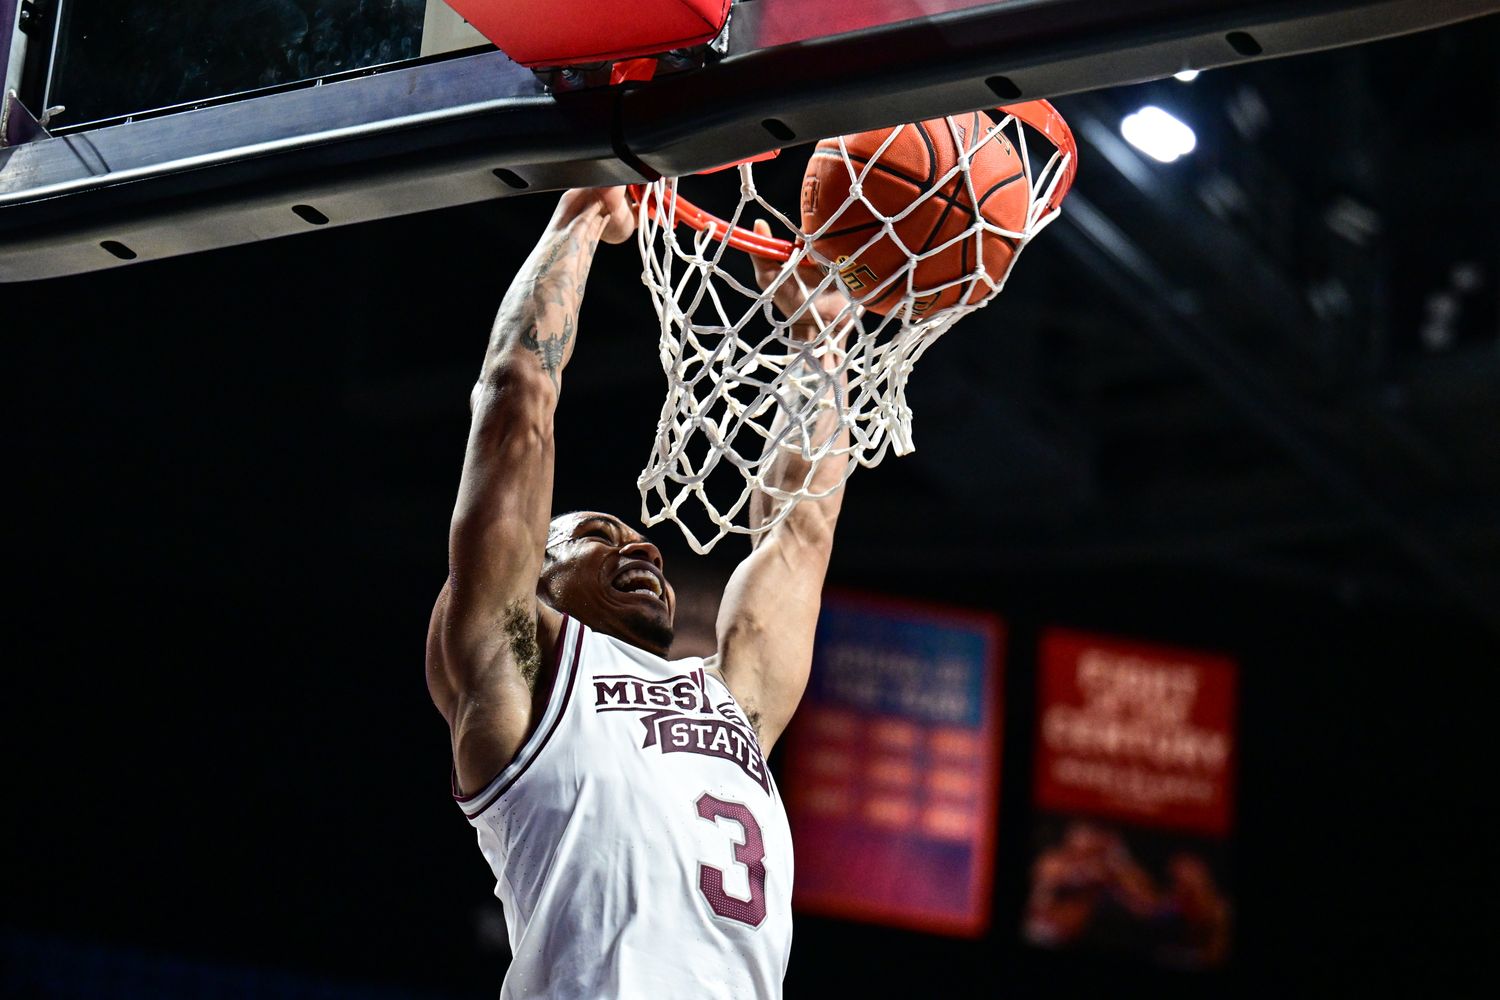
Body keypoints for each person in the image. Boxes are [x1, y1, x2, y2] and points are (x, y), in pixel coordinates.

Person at [425, 187, 851, 999]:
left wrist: (820, 342)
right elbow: (518, 396)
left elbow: (800, 533)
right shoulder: (516, 675)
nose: (642, 543)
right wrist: (583, 216)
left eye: (633, 534)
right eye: (596, 535)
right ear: (534, 578)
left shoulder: (735, 703)